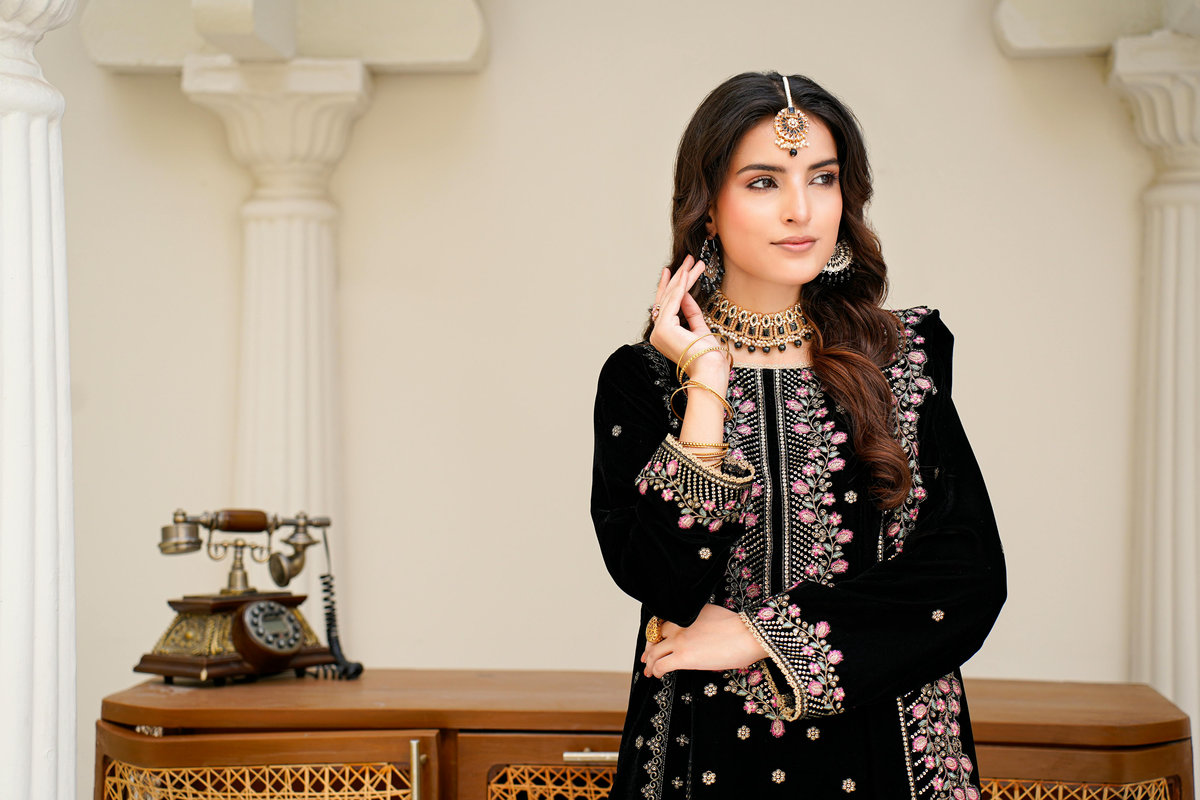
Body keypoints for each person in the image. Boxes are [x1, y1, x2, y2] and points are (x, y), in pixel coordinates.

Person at [590, 71, 1007, 799]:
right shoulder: (647, 380)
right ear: (707, 209)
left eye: (822, 179)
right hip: (709, 755)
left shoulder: (902, 357)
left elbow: (967, 575)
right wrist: (707, 386)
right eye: (762, 182)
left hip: (892, 748)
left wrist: (760, 634)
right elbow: (661, 582)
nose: (799, 209)